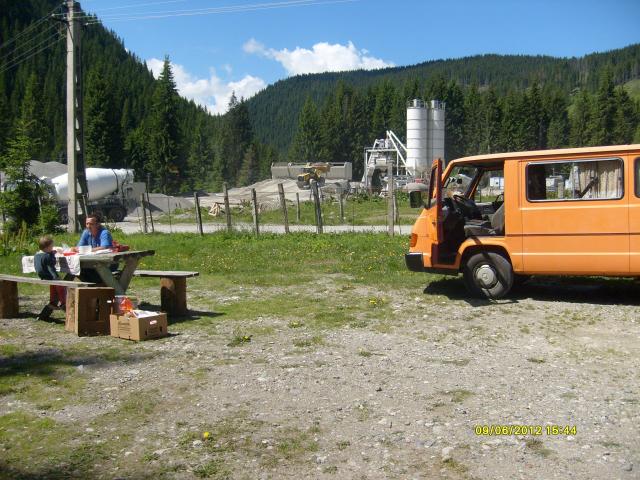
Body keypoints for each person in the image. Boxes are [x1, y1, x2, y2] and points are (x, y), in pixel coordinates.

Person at [34, 235, 66, 312]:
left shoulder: (37, 255)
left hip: (41, 275)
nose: (52, 248)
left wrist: (52, 253)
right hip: (48, 275)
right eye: (51, 247)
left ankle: (53, 302)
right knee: (60, 285)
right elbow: (51, 267)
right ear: (47, 247)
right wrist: (56, 277)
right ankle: (63, 302)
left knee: (53, 285)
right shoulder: (47, 256)